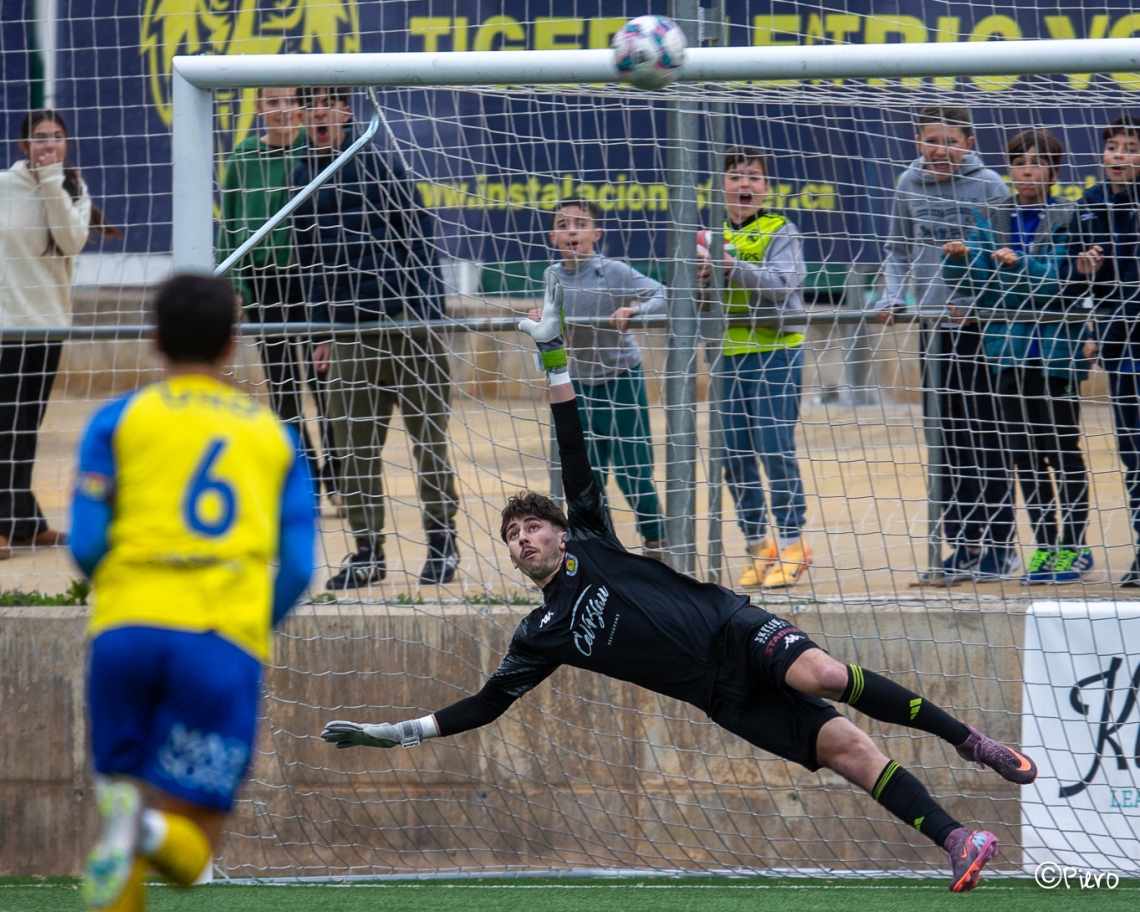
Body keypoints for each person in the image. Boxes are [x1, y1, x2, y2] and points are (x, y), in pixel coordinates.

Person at [321, 273, 1038, 894]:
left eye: (532, 527)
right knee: (848, 752)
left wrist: (551, 355)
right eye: (511, 538)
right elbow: (483, 705)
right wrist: (397, 735)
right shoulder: (541, 634)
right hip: (720, 695)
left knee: (819, 672)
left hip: (733, 626)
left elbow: (574, 449)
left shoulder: (591, 539)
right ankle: (957, 840)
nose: (522, 539)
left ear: (560, 532)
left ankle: (967, 740)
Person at [70, 274, 315, 912]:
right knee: (193, 851)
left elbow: (86, 544)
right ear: (234, 343)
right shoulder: (273, 435)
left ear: (153, 340)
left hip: (124, 634)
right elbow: (297, 567)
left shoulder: (115, 420)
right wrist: (250, 626)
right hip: (217, 642)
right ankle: (146, 828)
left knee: (120, 799)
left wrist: (129, 587)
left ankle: (131, 825)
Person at [292, 87, 460, 588]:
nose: (318, 111)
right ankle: (367, 552)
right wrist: (319, 333)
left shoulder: (382, 166)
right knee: (352, 448)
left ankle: (442, 541)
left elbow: (420, 239)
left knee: (428, 441)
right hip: (348, 334)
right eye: (309, 104)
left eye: (327, 102)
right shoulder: (300, 179)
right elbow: (309, 268)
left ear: (346, 111)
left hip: (408, 326)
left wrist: (430, 313)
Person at [943, 129, 1090, 585]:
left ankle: (1075, 546)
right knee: (1025, 457)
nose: (1027, 171)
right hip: (1006, 355)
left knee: (1062, 451)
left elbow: (1058, 287)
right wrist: (959, 259)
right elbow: (972, 286)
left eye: (1038, 163)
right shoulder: (990, 215)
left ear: (1053, 172)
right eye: (1021, 162)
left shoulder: (1068, 217)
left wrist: (1018, 267)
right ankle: (1045, 547)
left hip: (1054, 356)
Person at [878, 106, 1015, 582]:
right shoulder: (907, 185)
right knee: (946, 436)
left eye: (950, 140)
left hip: (984, 329)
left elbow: (1007, 259)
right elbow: (898, 251)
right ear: (918, 142)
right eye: (930, 139)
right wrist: (894, 297)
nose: (939, 149)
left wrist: (976, 300)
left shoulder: (991, 187)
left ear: (969, 144)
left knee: (987, 436)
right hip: (933, 329)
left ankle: (1001, 545)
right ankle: (963, 544)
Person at [218, 86, 342, 507]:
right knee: (283, 387)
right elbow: (229, 224)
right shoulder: (243, 157)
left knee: (324, 381)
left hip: (310, 281)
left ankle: (339, 476)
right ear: (258, 108)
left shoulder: (317, 154)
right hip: (263, 281)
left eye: (292, 101)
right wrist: (235, 287)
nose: (284, 110)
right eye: (273, 102)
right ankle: (302, 478)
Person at [698, 146, 810, 589]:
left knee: (774, 447)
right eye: (736, 177)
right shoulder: (706, 237)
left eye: (753, 177)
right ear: (721, 186)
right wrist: (702, 282)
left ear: (766, 188)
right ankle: (759, 544)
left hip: (776, 351)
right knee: (733, 454)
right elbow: (691, 300)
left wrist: (730, 267)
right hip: (726, 355)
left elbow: (784, 286)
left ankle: (792, 542)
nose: (744, 184)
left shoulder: (780, 229)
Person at [529, 196, 667, 557]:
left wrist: (637, 310)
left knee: (634, 473)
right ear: (552, 237)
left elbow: (662, 294)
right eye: (563, 225)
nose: (571, 231)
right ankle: (602, 551)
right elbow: (556, 334)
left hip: (622, 379)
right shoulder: (552, 278)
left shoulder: (615, 271)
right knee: (590, 478)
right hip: (581, 388)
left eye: (580, 224)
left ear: (596, 233)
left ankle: (658, 544)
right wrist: (543, 322)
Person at [0, 110, 108, 556]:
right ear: (24, 147)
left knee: (28, 428)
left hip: (48, 325)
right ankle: (7, 523)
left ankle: (26, 521)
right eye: (41, 139)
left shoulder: (72, 190)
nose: (49, 146)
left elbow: (70, 242)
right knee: (5, 427)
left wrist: (50, 184)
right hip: (5, 326)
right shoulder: (4, 186)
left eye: (57, 138)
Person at [1064, 114, 1140, 585]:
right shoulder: (1090, 204)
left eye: (1130, 146)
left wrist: (1103, 334)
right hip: (1122, 353)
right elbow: (1071, 282)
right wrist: (1082, 265)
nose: (1119, 155)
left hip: (1120, 338)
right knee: (1133, 455)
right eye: (1112, 146)